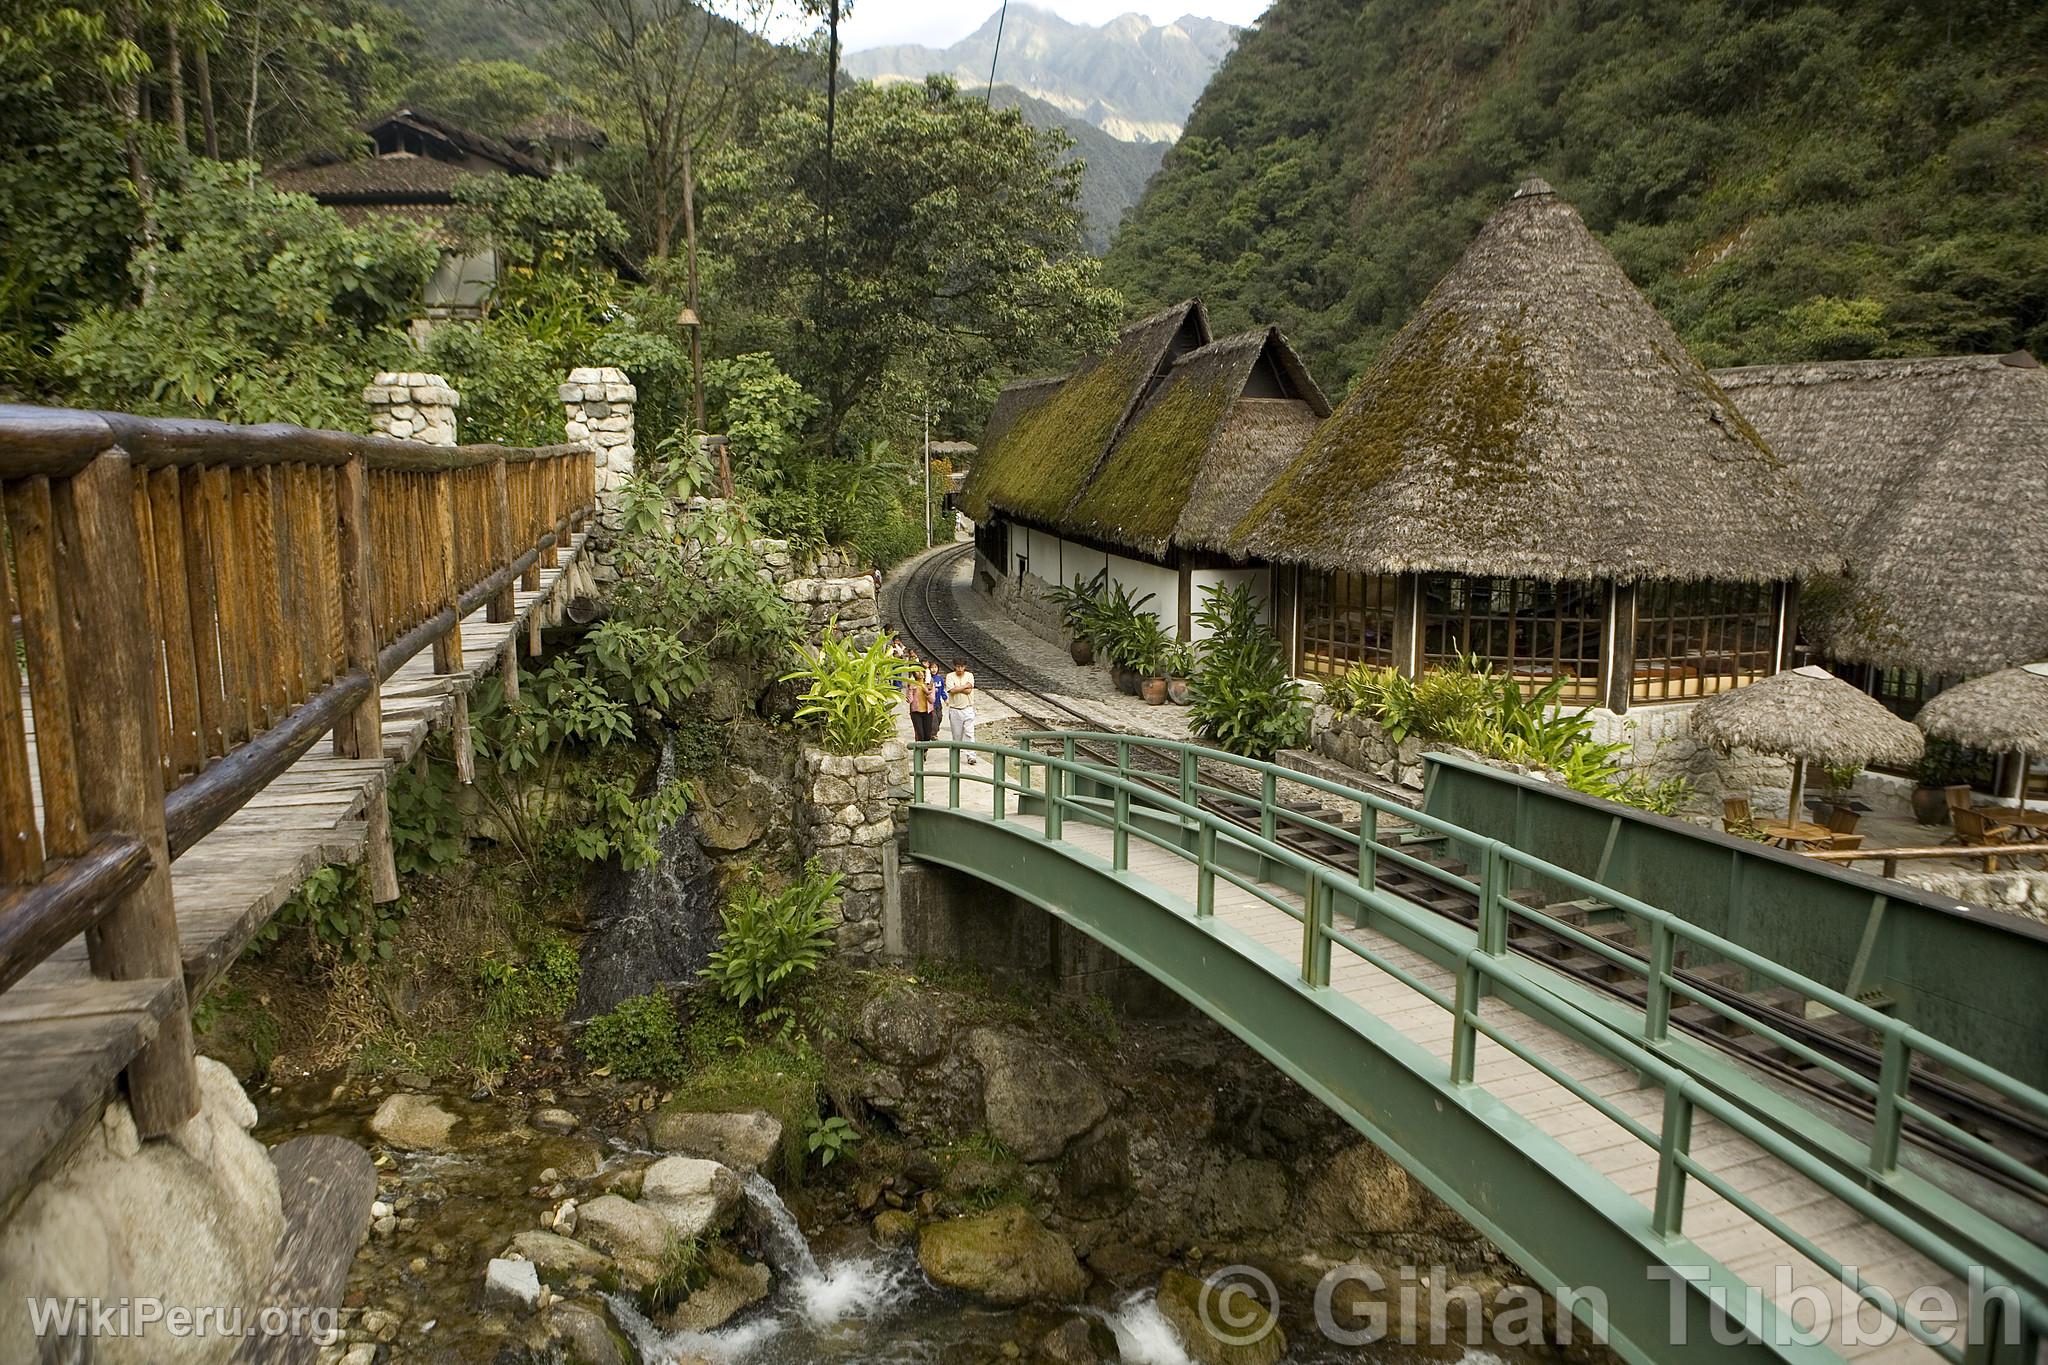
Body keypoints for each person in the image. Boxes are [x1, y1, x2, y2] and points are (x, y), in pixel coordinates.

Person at [944, 658, 978, 761]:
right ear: (954, 666)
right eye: (958, 666)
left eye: (962, 666)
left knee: (969, 733)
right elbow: (952, 690)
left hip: (968, 708)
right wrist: (964, 686)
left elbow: (969, 690)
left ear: (965, 667)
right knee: (957, 735)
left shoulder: (969, 675)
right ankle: (955, 755)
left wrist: (958, 688)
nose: (960, 668)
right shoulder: (949, 676)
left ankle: (971, 755)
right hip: (955, 709)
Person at [905, 657, 936, 741]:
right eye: (917, 671)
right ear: (914, 673)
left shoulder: (929, 683)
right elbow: (909, 700)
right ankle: (920, 752)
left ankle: (925, 751)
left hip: (928, 711)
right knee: (920, 734)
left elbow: (932, 700)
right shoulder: (912, 684)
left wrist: (926, 692)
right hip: (916, 712)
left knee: (927, 735)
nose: (920, 673)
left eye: (921, 671)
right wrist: (910, 689)